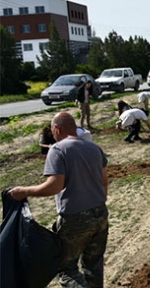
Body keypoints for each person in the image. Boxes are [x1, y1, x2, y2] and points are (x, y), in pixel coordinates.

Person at [8, 112, 109, 288]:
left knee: (66, 269)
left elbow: (55, 186)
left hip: (75, 218)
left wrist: (24, 191)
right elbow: (104, 182)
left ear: (57, 128)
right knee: (94, 266)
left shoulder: (58, 149)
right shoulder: (94, 148)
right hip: (100, 213)